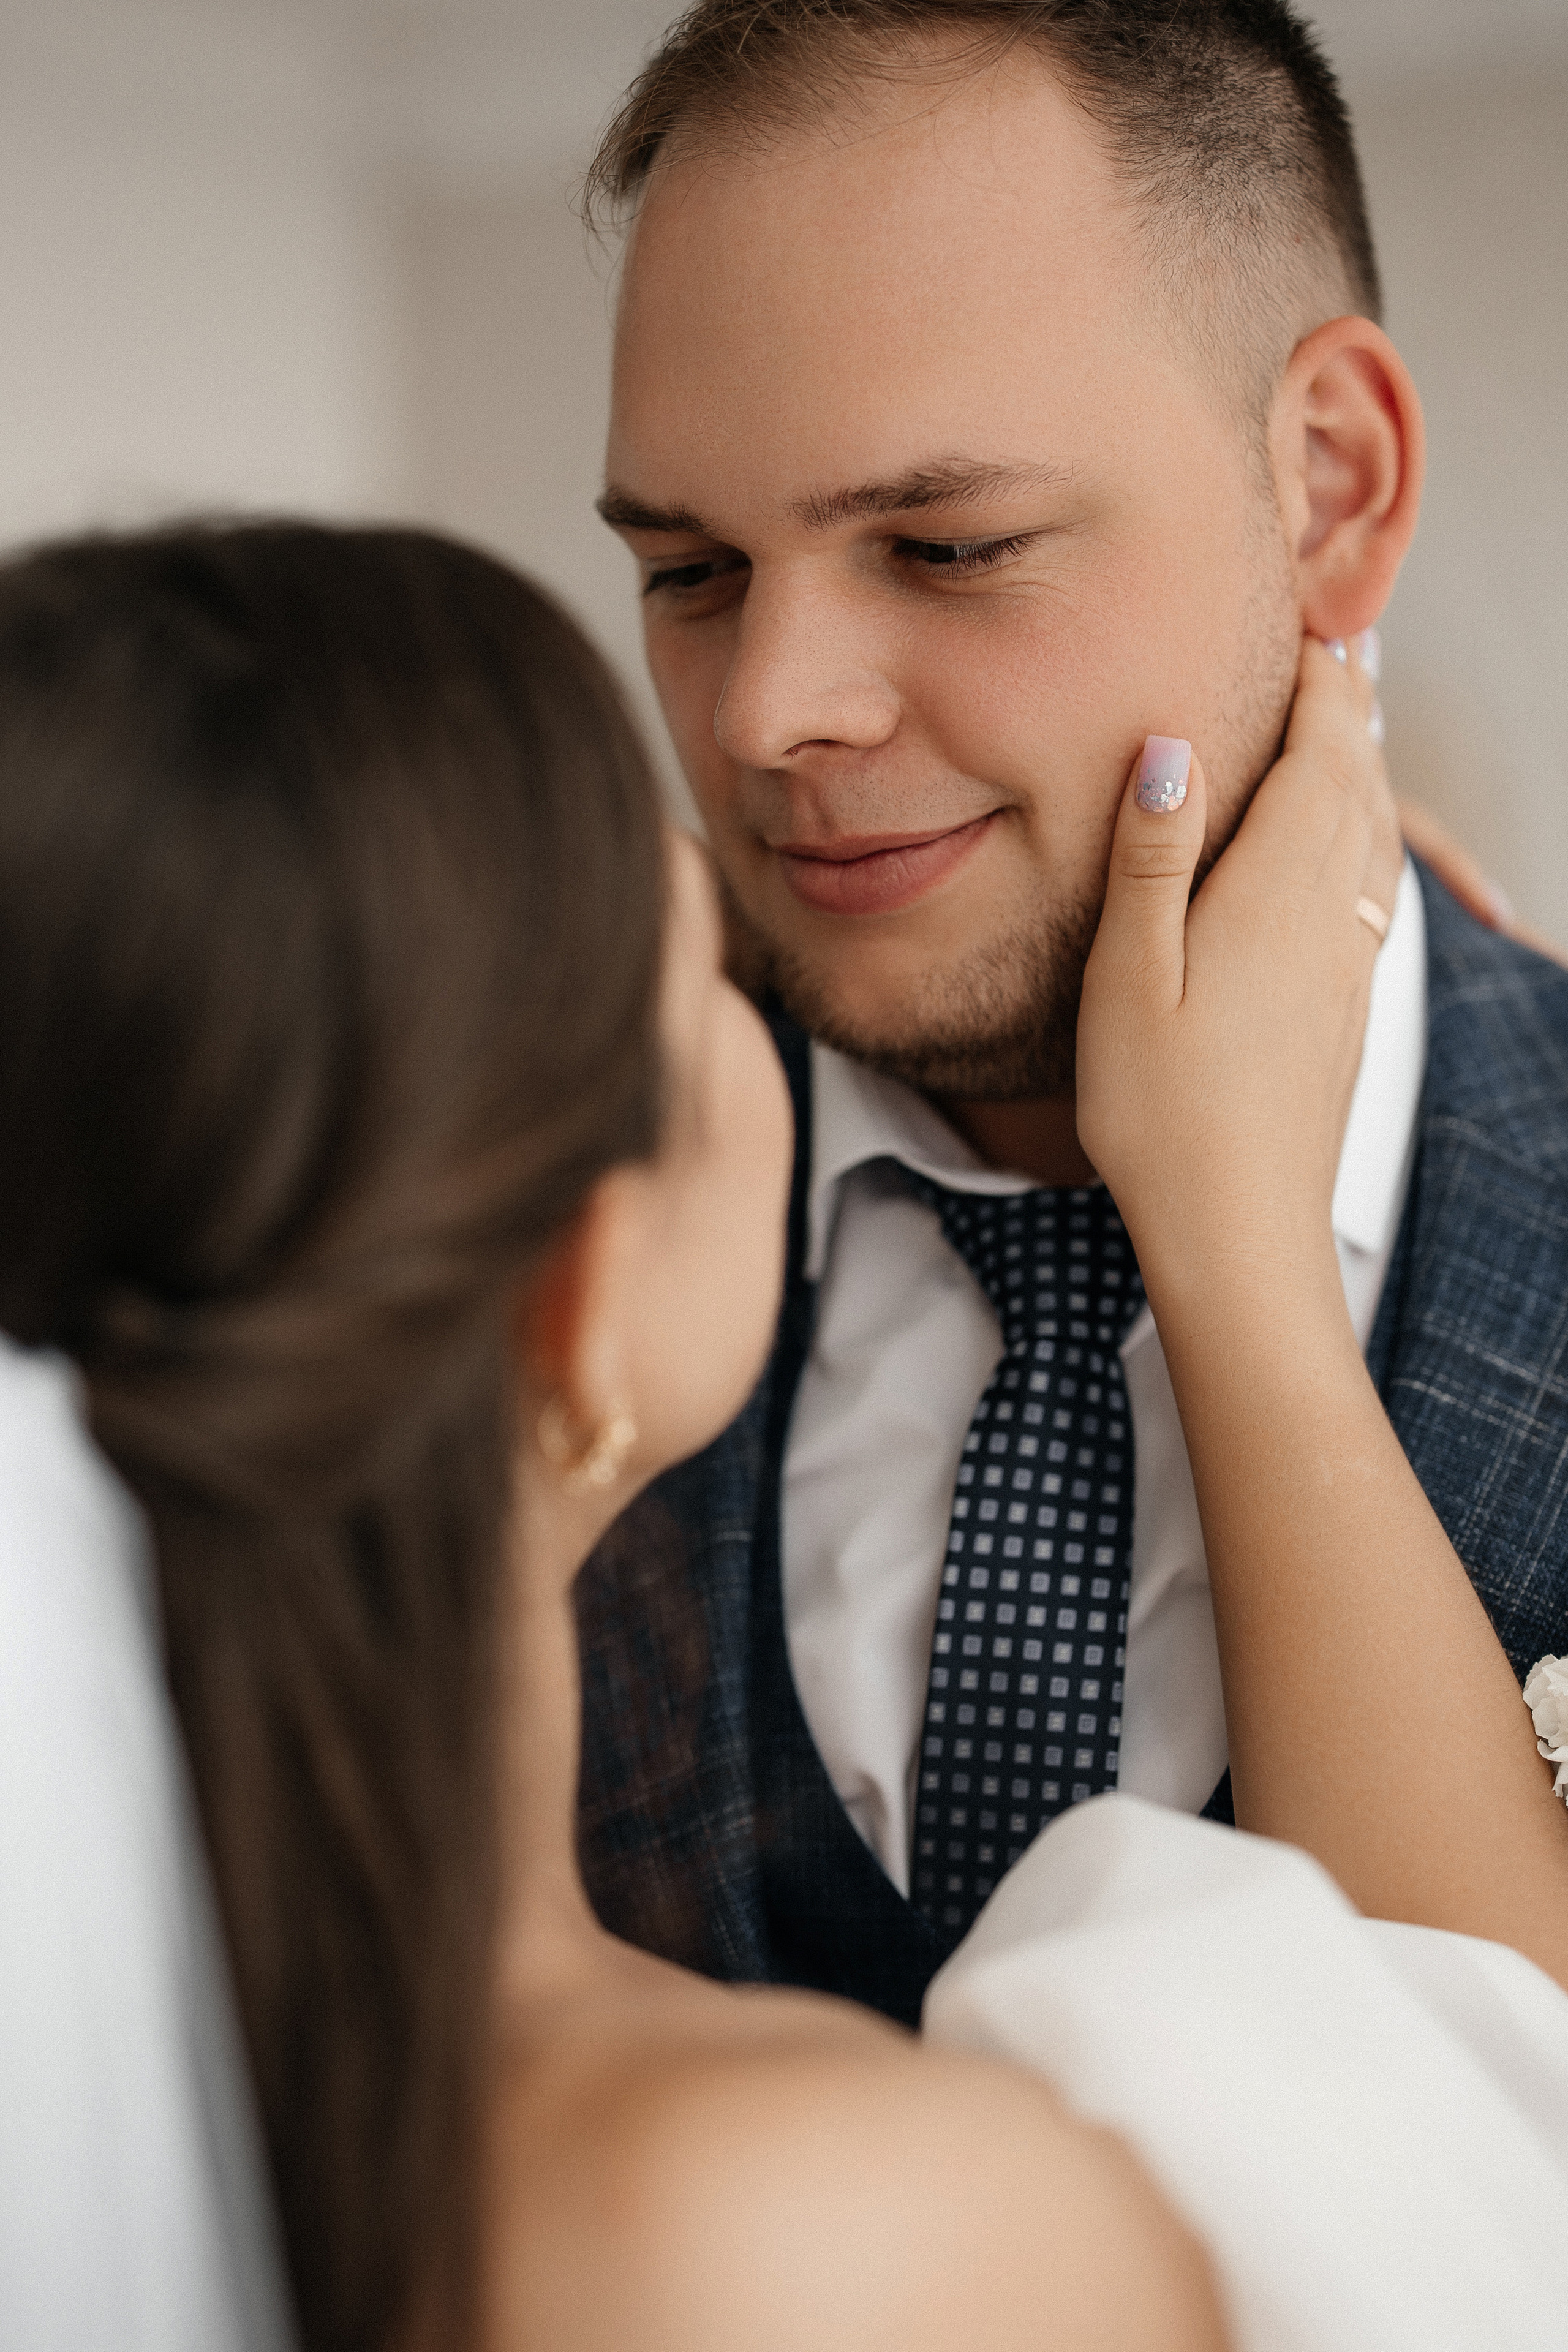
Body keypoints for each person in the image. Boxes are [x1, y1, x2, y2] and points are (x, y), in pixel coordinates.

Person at [1, 519, 1562, 2352]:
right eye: (695, 974)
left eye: (949, 546)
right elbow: (1500, 2155)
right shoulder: (780, 2235)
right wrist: (1246, 1237)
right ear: (576, 1289)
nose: (766, 742)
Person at [573, 0, 1568, 2017]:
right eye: (689, 572)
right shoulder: (516, 1184)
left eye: (947, 546)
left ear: (1330, 488)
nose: (765, 713)